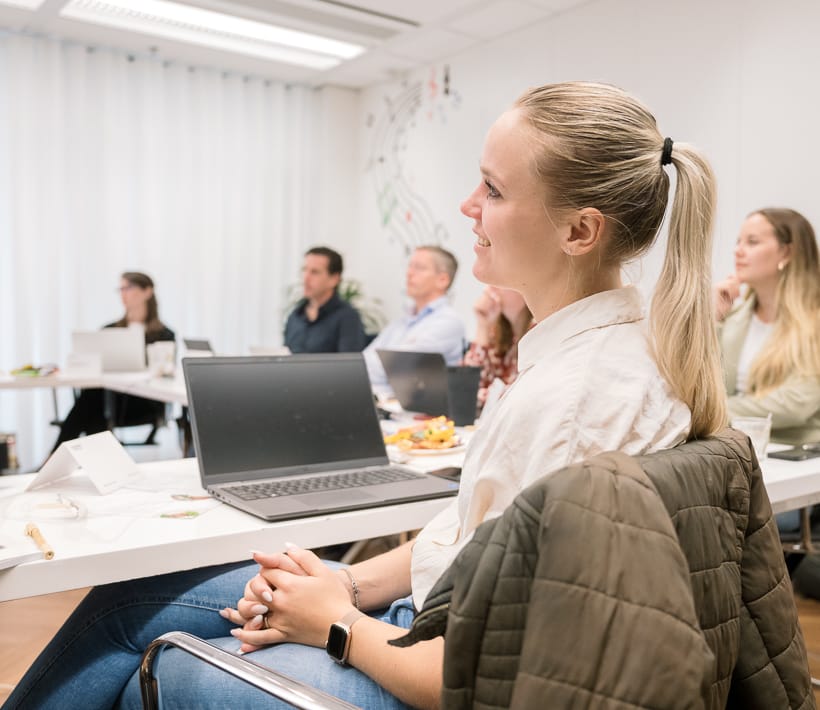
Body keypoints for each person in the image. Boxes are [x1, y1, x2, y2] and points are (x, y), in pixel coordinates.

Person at [6, 82, 727, 710]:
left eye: (493, 190)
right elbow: (469, 542)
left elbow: (483, 675)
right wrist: (344, 582)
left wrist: (336, 623)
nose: (467, 205)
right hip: (423, 617)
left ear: (578, 230)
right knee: (136, 596)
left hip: (431, 661)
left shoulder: (571, 406)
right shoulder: (590, 361)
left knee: (156, 662)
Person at [715, 208, 820, 445]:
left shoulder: (814, 323)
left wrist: (713, 411)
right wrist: (714, 319)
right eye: (738, 241)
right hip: (735, 448)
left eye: (752, 242)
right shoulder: (734, 317)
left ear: (786, 252)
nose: (738, 250)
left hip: (795, 453)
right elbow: (701, 386)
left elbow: (796, 403)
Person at [49, 272, 175, 452]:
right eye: (120, 289)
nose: (123, 294)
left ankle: (56, 457)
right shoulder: (109, 330)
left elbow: (165, 371)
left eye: (128, 288)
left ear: (147, 291)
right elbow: (92, 364)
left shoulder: (165, 335)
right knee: (94, 402)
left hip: (144, 402)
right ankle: (99, 462)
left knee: (91, 403)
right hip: (110, 400)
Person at [362, 245, 465, 388]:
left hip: (406, 402)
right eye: (410, 266)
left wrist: (358, 370)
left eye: (419, 268)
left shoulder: (448, 322)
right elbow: (363, 361)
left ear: (442, 280)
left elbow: (395, 369)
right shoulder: (402, 321)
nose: (409, 273)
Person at [283, 247, 367, 354]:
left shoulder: (348, 317)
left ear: (334, 279)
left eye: (315, 272)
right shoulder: (294, 316)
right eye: (304, 270)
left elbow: (349, 363)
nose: (306, 278)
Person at [463, 285, 532, 409]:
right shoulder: (500, 332)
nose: (489, 289)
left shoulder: (538, 334)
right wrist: (482, 326)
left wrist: (488, 396)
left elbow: (519, 399)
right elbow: (467, 387)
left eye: (500, 283)